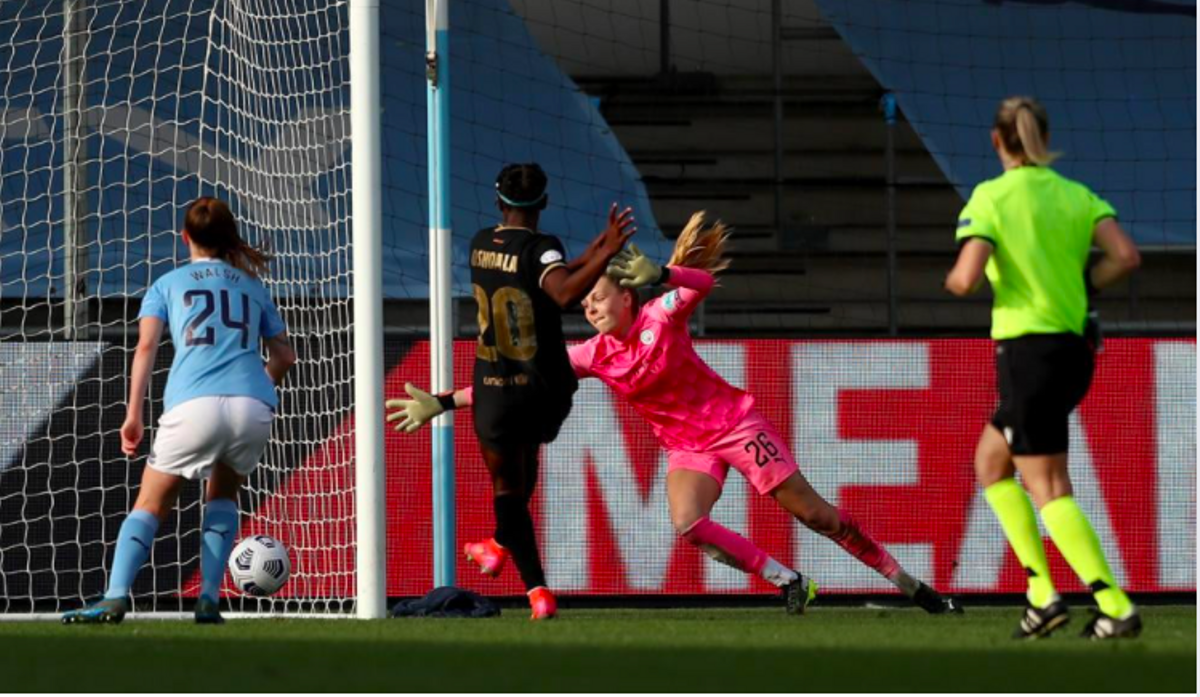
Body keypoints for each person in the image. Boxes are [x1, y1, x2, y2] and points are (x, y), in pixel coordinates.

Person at [391, 211, 959, 616]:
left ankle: (911, 586)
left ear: (627, 298)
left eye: (598, 299)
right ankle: (791, 583)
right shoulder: (591, 355)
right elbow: (512, 382)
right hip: (688, 448)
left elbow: (706, 281)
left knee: (818, 518)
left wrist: (664, 274)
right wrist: (440, 403)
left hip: (737, 426)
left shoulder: (661, 316)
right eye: (585, 303)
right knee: (689, 525)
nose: (588, 307)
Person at [387, 163, 634, 620]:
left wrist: (600, 250)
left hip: (496, 387)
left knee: (507, 487)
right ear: (543, 203)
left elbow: (553, 281)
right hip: (546, 387)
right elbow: (560, 288)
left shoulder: (482, 244)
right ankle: (499, 546)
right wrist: (605, 251)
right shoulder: (543, 249)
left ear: (498, 201)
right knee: (526, 465)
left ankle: (536, 590)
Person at [944, 96, 1142, 640]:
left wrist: (959, 279)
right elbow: (1126, 256)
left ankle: (1114, 602)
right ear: (1042, 137)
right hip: (1076, 351)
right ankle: (1041, 594)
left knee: (1048, 485)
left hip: (1027, 353)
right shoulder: (1077, 196)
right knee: (991, 462)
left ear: (996, 141)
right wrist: (1081, 286)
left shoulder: (992, 197)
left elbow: (965, 278)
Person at [62, 197, 295, 625]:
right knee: (223, 496)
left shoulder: (167, 283)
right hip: (252, 407)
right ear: (229, 238)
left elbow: (146, 347)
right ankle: (208, 599)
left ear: (184, 236)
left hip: (194, 405)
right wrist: (259, 389)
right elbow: (284, 356)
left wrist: (133, 414)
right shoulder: (252, 286)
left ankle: (115, 598)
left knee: (150, 504)